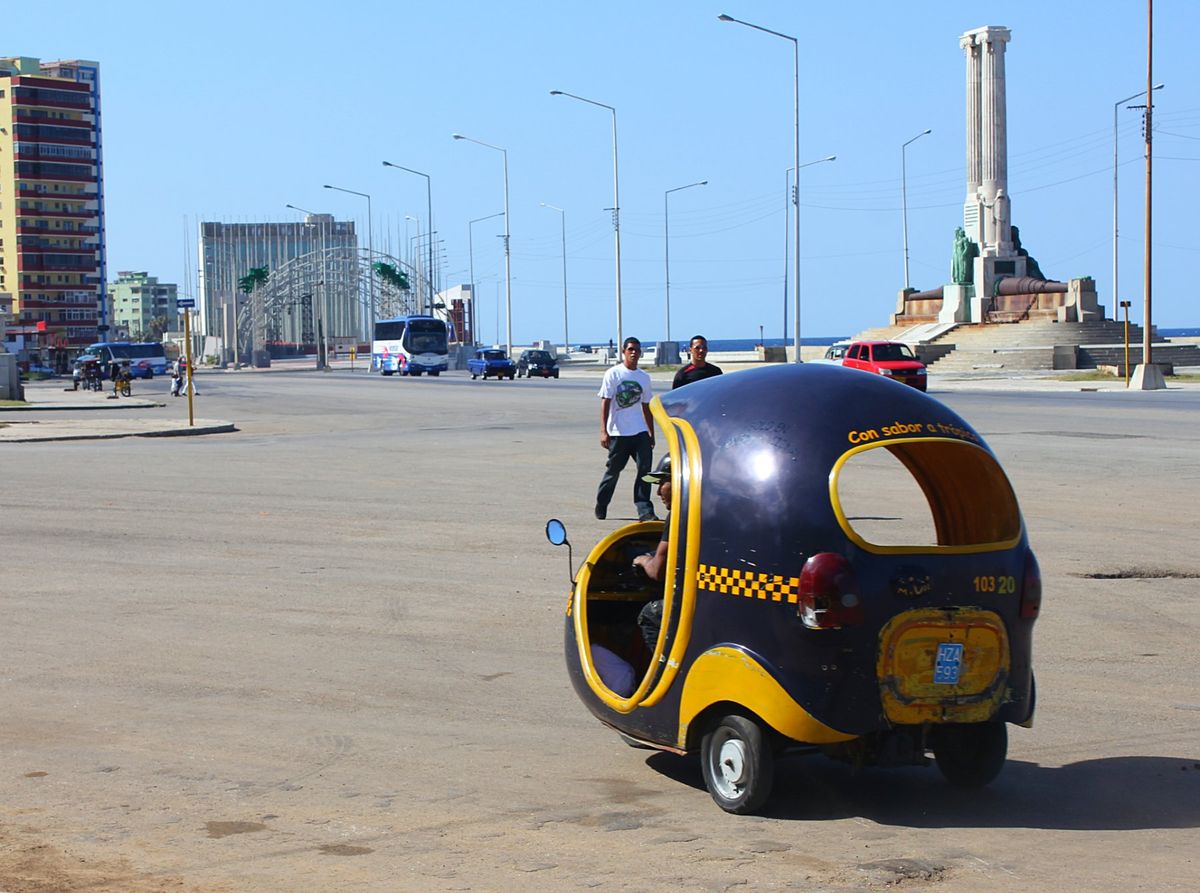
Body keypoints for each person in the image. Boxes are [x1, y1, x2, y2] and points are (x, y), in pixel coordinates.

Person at [596, 337, 655, 522]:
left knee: (646, 471)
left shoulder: (644, 378)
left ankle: (644, 509)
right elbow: (605, 402)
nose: (634, 353)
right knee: (614, 470)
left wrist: (651, 432)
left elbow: (646, 406)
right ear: (624, 351)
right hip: (618, 433)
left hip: (639, 432)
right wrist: (604, 431)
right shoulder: (613, 374)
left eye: (637, 350)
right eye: (630, 349)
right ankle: (602, 502)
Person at [632, 455, 673, 650]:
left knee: (650, 615)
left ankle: (663, 676)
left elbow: (658, 571)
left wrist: (643, 560)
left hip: (696, 602)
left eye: (663, 482)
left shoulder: (679, 516)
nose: (658, 492)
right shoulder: (711, 510)